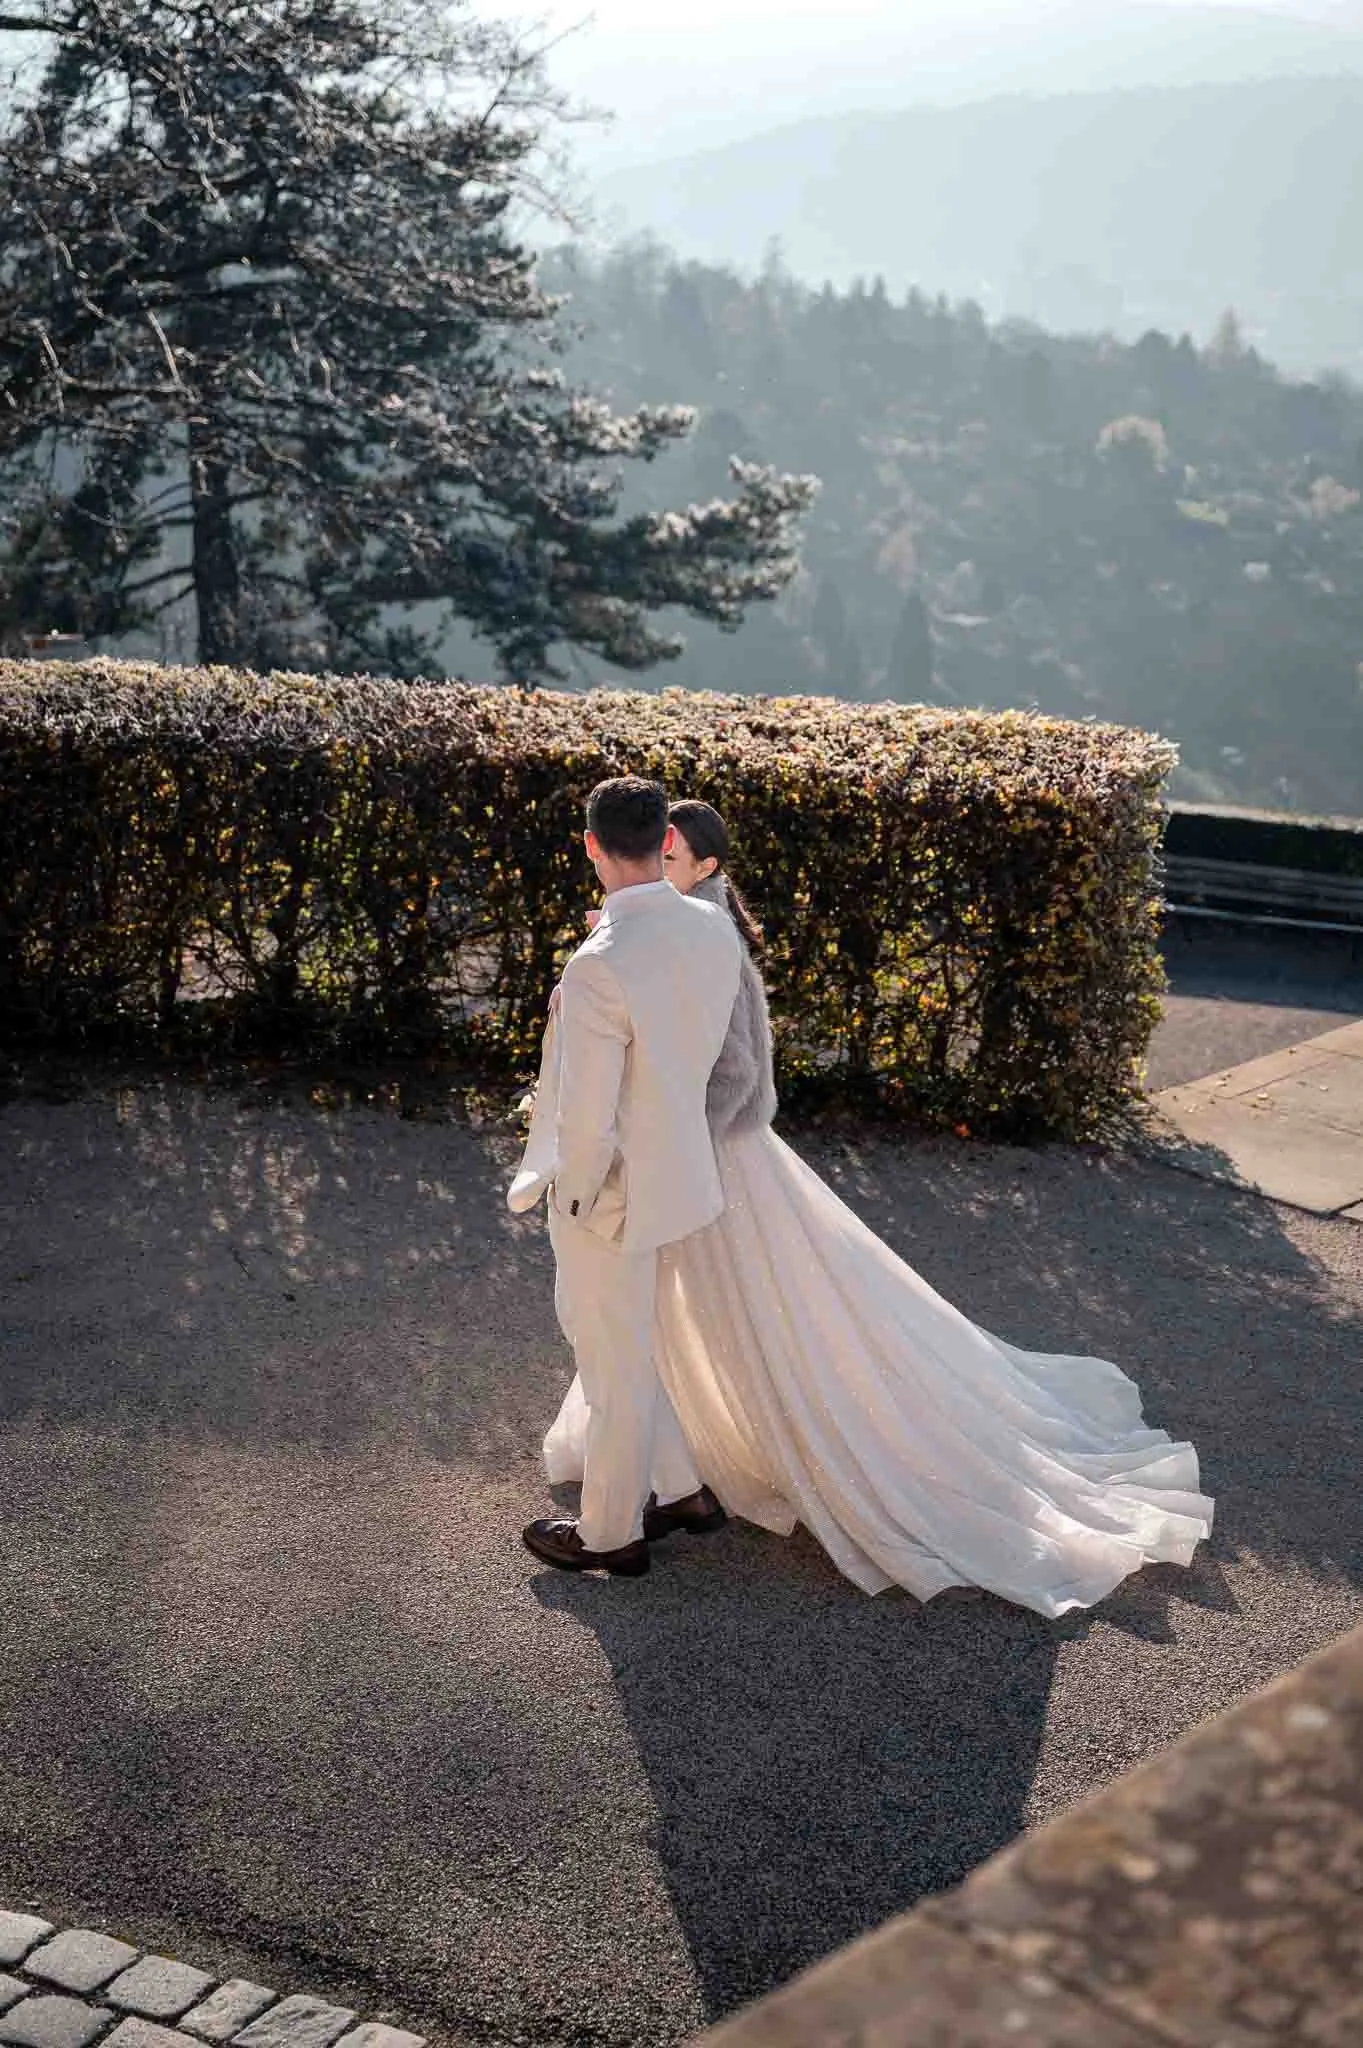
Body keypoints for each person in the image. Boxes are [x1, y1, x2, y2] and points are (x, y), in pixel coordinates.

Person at [542, 799, 1215, 1617]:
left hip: (702, 1165)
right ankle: (680, 1486)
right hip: (681, 1169)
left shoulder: (646, 948)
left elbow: (736, 1079)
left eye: (686, 856)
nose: (674, 865)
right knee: (662, 1331)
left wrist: (641, 1156)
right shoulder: (689, 932)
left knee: (716, 1328)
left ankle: (624, 1521)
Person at [509, 777, 742, 1577]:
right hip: (680, 1176)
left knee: (606, 1356)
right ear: (664, 841)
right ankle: (681, 1491)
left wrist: (569, 1195)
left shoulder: (600, 963)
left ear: (590, 846)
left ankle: (609, 1532)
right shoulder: (711, 928)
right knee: (619, 1342)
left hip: (609, 1193)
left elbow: (588, 1113)